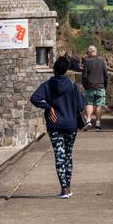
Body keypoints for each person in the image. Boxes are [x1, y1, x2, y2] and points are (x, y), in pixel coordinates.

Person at [29, 56, 86, 199]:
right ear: (66, 70)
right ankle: (69, 186)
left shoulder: (47, 85)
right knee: (68, 154)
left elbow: (34, 98)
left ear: (54, 70)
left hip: (54, 125)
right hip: (71, 125)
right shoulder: (73, 86)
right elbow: (80, 106)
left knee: (59, 155)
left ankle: (64, 188)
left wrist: (48, 107)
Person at [80, 44, 108, 130]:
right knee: (99, 105)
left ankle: (88, 120)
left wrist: (85, 86)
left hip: (90, 87)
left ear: (89, 52)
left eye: (87, 52)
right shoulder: (102, 62)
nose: (87, 54)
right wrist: (104, 86)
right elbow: (106, 76)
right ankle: (98, 124)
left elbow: (84, 76)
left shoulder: (87, 62)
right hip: (100, 86)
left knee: (89, 103)